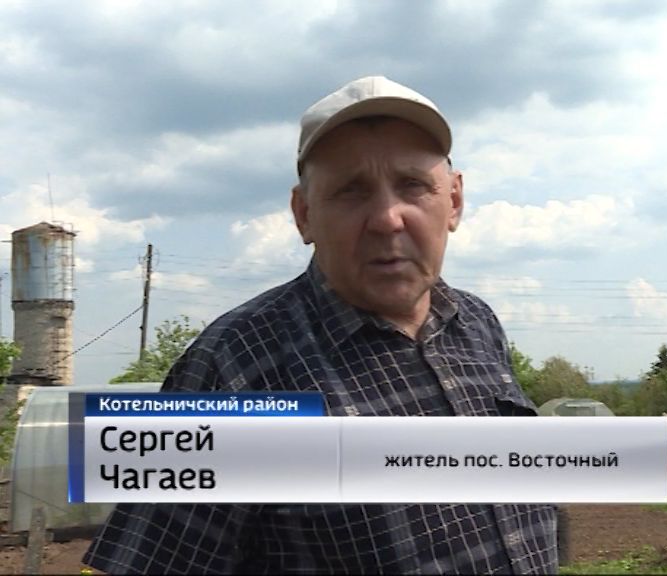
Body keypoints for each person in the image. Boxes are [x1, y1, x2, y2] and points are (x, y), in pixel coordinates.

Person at [83, 76, 558, 574]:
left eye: (413, 185)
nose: (387, 219)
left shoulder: (478, 324)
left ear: (454, 202)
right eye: (351, 191)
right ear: (304, 215)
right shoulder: (230, 365)